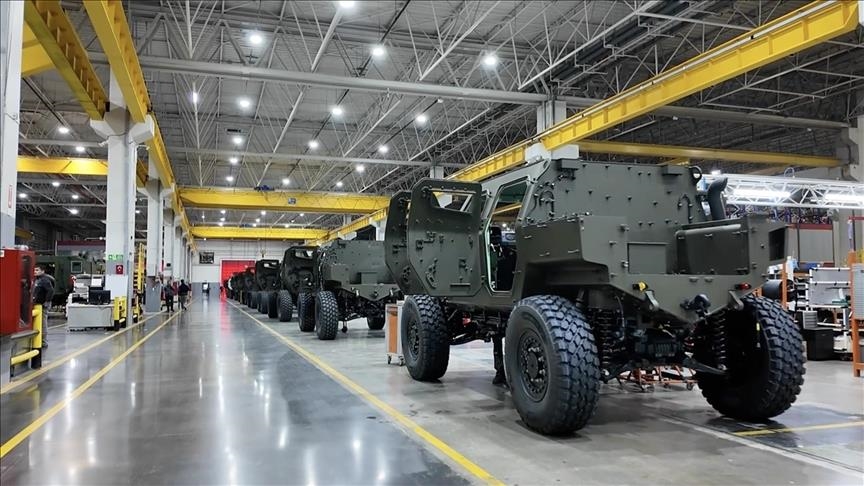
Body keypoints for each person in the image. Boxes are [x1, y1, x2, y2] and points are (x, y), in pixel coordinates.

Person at [33, 265, 55, 348]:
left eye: (37, 270)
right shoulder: (37, 279)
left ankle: (43, 341)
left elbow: (50, 291)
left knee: (43, 323)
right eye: (34, 270)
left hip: (42, 304)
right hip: (38, 304)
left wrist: (47, 301)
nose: (35, 271)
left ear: (42, 271)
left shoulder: (44, 280)